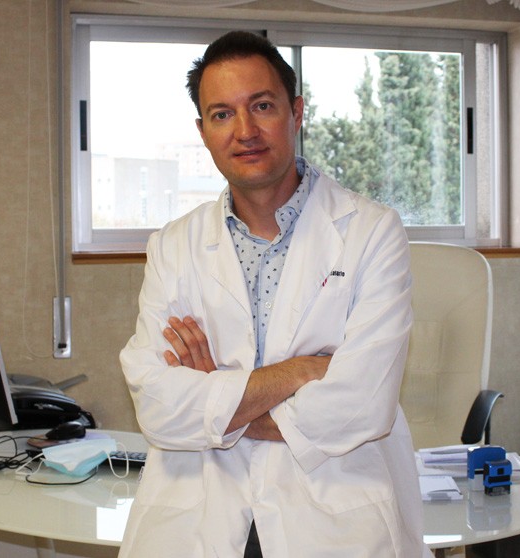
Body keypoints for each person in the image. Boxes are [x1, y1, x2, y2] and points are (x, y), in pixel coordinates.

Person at [118, 30, 429, 557]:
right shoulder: (173, 245)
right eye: (222, 114)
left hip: (333, 512)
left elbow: (362, 404)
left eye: (262, 106)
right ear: (203, 130)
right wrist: (297, 372)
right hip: (202, 510)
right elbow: (158, 405)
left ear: (296, 112)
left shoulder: (372, 231)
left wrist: (216, 398)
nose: (245, 131)